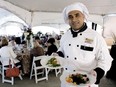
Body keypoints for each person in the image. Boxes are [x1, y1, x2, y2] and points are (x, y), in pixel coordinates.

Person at [53, 2, 113, 87]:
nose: (74, 19)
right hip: (67, 81)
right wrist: (58, 54)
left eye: (77, 15)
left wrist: (97, 72)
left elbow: (105, 60)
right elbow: (62, 50)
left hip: (87, 81)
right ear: (68, 20)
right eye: (70, 17)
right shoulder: (65, 36)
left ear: (83, 16)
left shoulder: (96, 37)